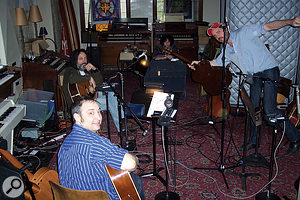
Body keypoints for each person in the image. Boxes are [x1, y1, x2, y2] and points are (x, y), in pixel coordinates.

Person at [188, 16, 300, 156]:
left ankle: (296, 138)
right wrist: (197, 64)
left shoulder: (244, 32)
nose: (218, 36)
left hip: (269, 71)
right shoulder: (226, 51)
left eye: (219, 32)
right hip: (254, 76)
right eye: (215, 35)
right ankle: (253, 141)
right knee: (253, 109)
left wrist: (290, 22)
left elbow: (269, 26)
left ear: (226, 28)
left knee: (270, 110)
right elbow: (215, 63)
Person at [58, 96, 145, 199]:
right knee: (135, 180)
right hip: (97, 197)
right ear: (77, 117)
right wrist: (133, 158)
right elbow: (131, 164)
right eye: (91, 113)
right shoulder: (95, 143)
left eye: (99, 112)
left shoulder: (66, 141)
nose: (98, 117)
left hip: (71, 196)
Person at [62, 49, 124, 132]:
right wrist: (89, 77)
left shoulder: (84, 69)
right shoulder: (69, 70)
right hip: (80, 103)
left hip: (89, 97)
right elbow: (72, 79)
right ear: (75, 60)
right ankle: (122, 126)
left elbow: (99, 82)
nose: (84, 61)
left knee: (112, 94)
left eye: (85, 58)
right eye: (80, 59)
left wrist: (94, 69)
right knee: (112, 101)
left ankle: (122, 123)